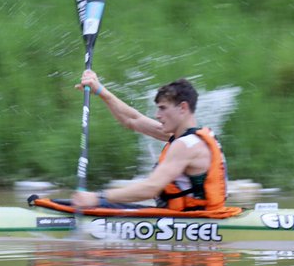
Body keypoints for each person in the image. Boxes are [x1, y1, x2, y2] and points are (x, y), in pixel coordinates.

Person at [69, 70, 227, 211]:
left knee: (98, 203)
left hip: (197, 220)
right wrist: (100, 91)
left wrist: (97, 197)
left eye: (163, 108)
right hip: (187, 217)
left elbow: (151, 188)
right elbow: (132, 120)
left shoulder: (185, 146)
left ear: (183, 108)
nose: (158, 115)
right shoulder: (187, 138)